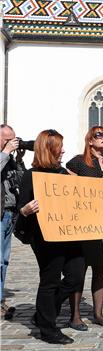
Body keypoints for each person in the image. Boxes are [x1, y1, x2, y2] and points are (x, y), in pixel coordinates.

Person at [16, 129, 85, 344]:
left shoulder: (64, 174)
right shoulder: (31, 176)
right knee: (50, 281)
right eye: (59, 147)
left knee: (76, 276)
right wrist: (25, 210)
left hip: (69, 236)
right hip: (45, 238)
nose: (63, 150)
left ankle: (43, 312)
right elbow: (21, 211)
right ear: (48, 149)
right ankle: (47, 329)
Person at [66, 126, 103, 331]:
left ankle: (98, 314)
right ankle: (75, 316)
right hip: (82, 223)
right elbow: (67, 192)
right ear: (90, 140)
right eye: (99, 135)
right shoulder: (77, 162)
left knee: (100, 268)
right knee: (79, 270)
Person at [0, 124, 26, 320]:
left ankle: (0, 301)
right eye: (7, 139)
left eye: (13, 139)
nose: (11, 143)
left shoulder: (9, 159)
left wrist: (18, 159)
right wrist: (6, 153)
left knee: (4, 261)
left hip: (9, 215)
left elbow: (21, 180)